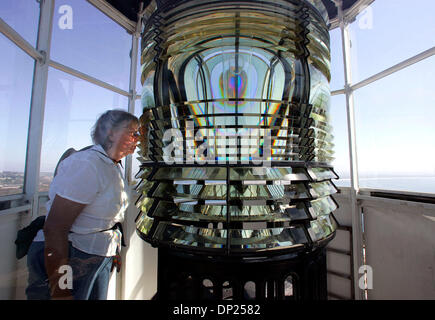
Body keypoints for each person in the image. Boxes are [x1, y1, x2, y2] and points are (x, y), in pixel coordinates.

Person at [26, 109, 140, 300]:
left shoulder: (111, 164)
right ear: (111, 132)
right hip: (72, 256)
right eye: (133, 132)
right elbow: (55, 229)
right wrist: (60, 289)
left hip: (94, 255)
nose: (137, 139)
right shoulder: (88, 164)